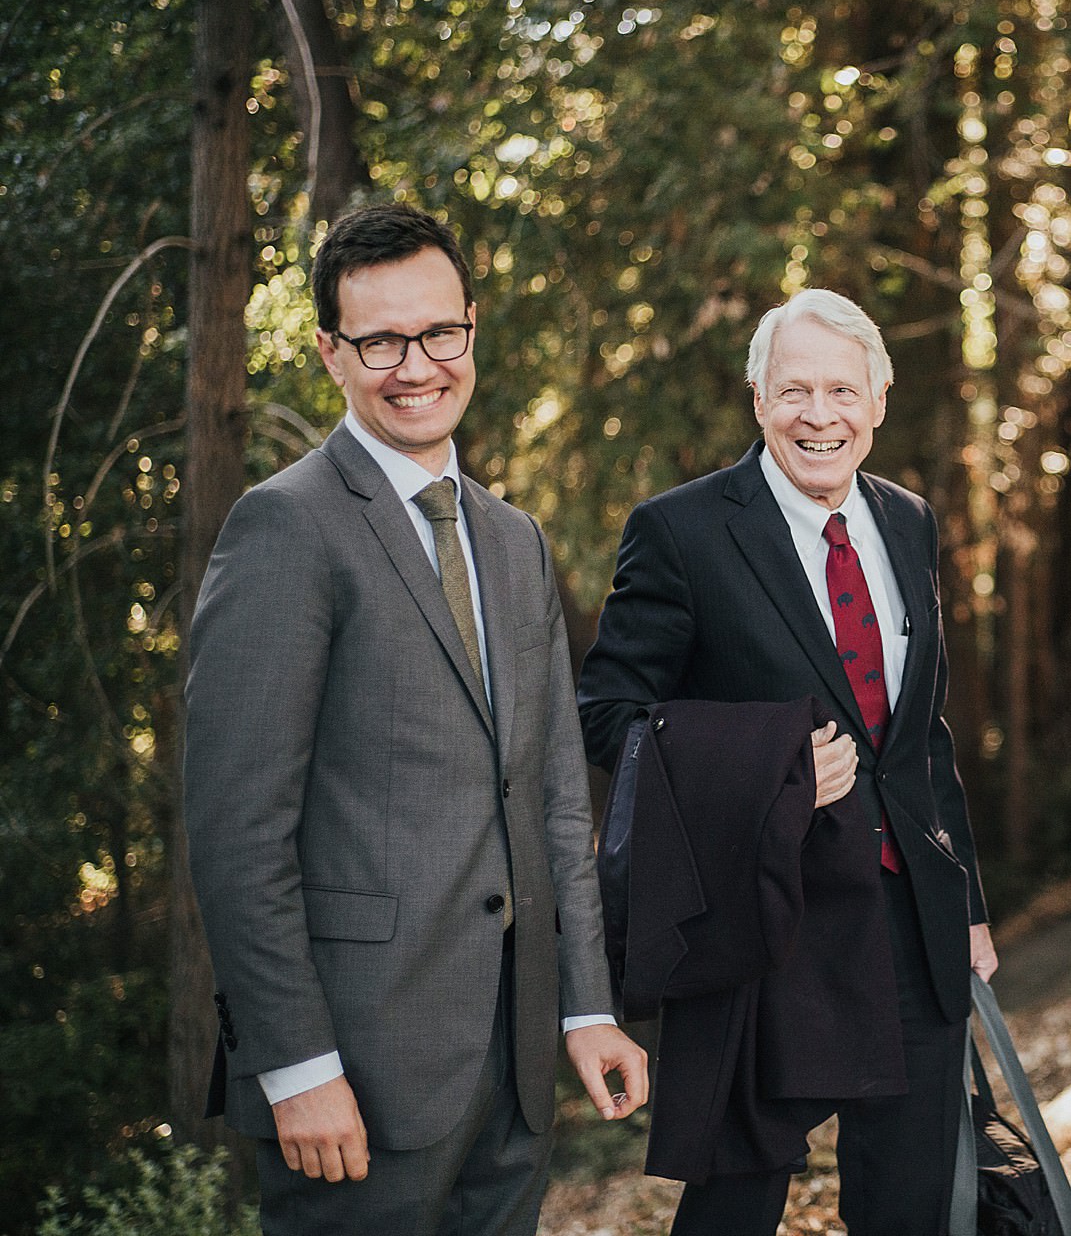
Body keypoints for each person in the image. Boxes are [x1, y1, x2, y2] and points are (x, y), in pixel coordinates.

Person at [183, 204, 648, 1235]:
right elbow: (237, 832)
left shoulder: (515, 540)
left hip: (516, 1063)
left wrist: (586, 1006)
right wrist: (296, 1065)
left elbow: (555, 800)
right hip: (356, 1072)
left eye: (438, 332)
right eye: (380, 342)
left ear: (471, 327)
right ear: (330, 352)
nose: (416, 366)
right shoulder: (284, 527)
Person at [577, 287, 994, 1236]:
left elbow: (923, 735)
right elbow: (607, 715)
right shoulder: (681, 532)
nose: (819, 415)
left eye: (842, 391)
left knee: (914, 1203)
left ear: (878, 399)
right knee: (735, 1202)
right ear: (759, 398)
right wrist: (767, 768)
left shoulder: (910, 522)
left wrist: (965, 899)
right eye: (795, 390)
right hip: (762, 920)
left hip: (910, 916)